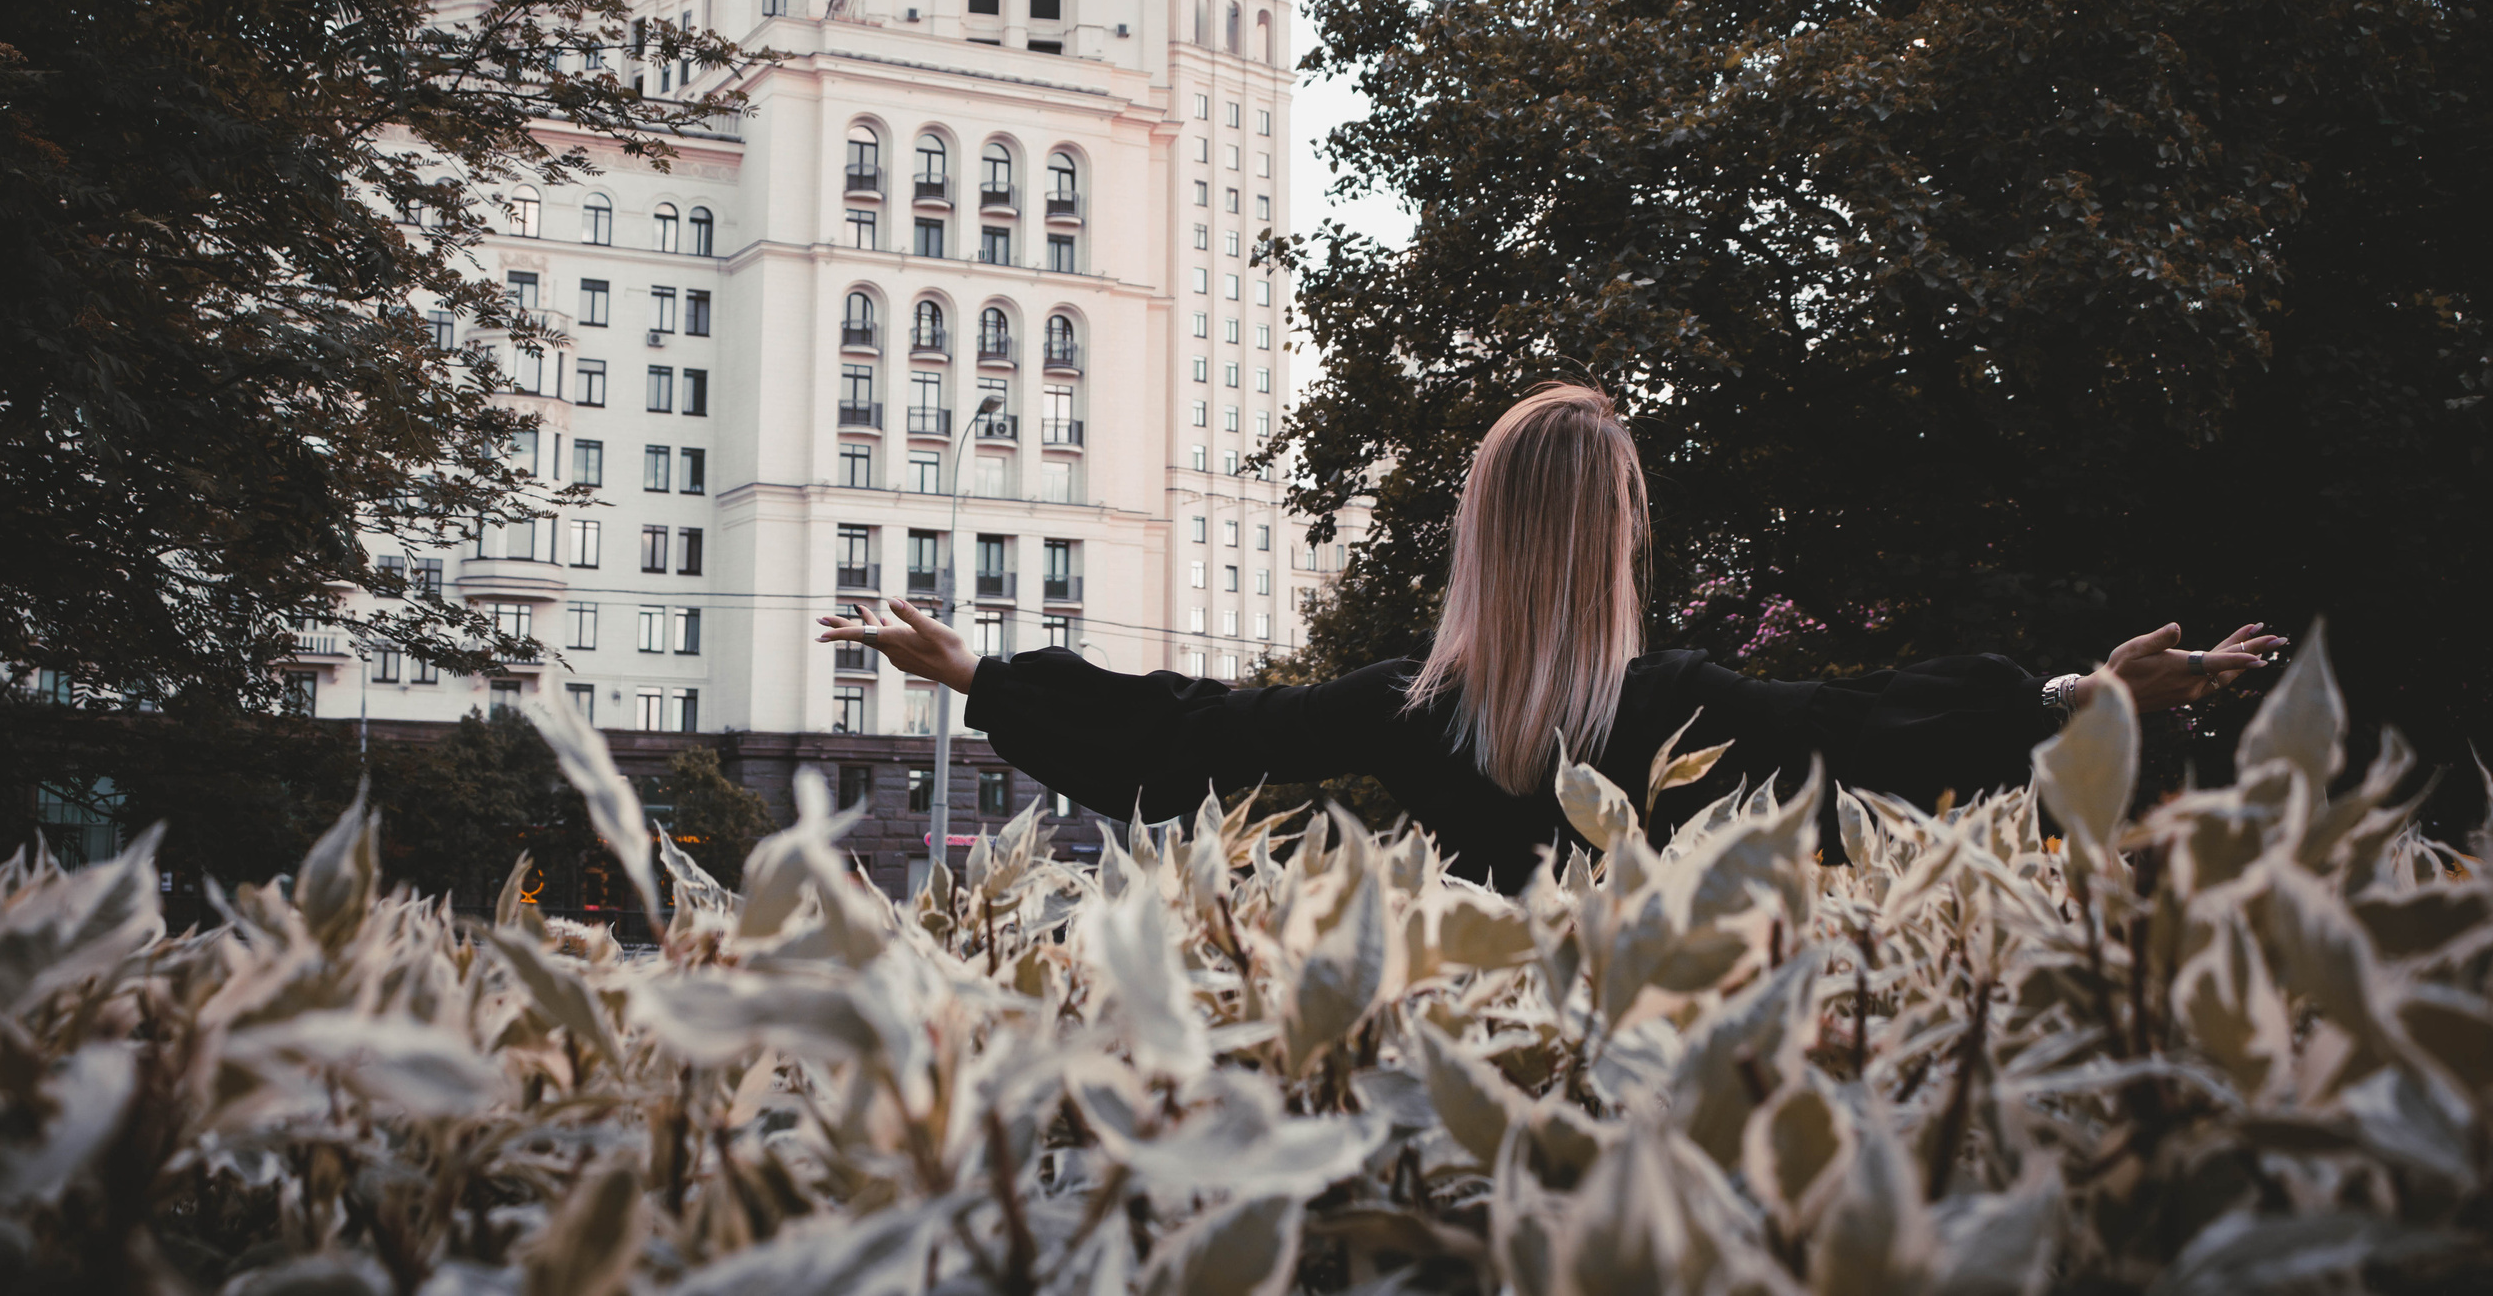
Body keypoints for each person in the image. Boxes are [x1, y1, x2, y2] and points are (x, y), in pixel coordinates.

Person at [818, 384, 2283, 888]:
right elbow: (1875, 726)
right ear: (1617, 539)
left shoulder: (1410, 709)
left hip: (1473, 1047)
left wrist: (984, 675)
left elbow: (1200, 741)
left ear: (1479, 534)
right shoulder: (1686, 707)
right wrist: (2080, 690)